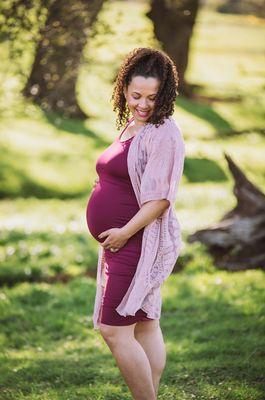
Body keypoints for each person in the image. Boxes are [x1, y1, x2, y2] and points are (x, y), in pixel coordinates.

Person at [86, 47, 185, 400]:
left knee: (113, 330)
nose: (143, 104)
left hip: (135, 244)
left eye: (153, 97)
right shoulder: (134, 124)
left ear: (167, 95)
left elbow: (159, 200)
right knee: (145, 325)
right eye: (136, 95)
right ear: (124, 88)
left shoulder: (163, 133)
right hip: (124, 242)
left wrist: (124, 232)